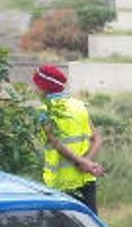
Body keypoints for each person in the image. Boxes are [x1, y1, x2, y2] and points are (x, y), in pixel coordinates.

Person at [33, 64, 105, 213]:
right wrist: (87, 163)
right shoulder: (79, 106)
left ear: (44, 88)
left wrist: (83, 162)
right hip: (86, 179)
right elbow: (97, 138)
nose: (35, 89)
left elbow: (56, 143)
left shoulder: (44, 112)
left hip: (60, 184)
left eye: (37, 86)